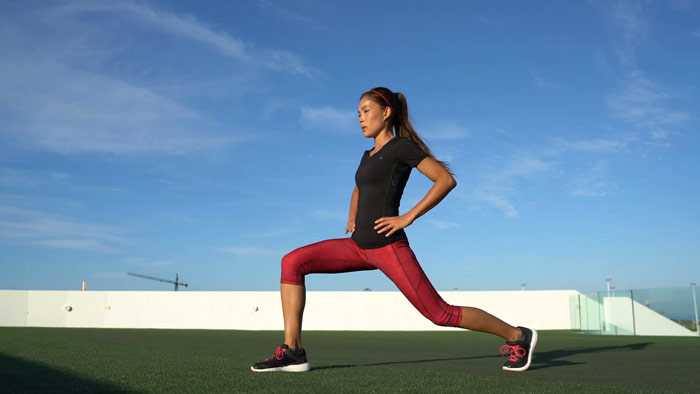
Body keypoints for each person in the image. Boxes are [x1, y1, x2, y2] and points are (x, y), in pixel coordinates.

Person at [251, 87, 537, 373]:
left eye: (366, 111)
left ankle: (518, 336)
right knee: (292, 262)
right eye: (358, 113)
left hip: (388, 248)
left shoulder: (401, 148)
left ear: (386, 112)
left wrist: (408, 217)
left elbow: (445, 180)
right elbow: (359, 187)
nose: (360, 118)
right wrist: (352, 216)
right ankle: (294, 351)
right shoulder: (368, 155)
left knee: (440, 313)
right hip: (357, 247)